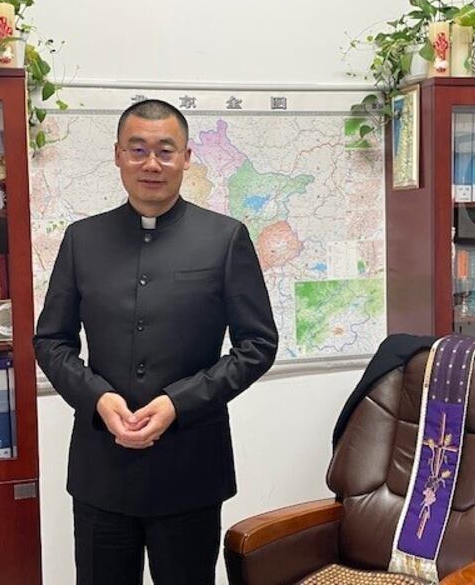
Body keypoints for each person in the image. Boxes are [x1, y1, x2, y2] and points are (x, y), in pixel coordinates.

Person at [33, 99, 278, 585]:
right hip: (102, 470)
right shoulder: (83, 240)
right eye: (138, 149)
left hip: (189, 469)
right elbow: (51, 341)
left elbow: (257, 345)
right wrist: (98, 398)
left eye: (165, 151)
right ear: (118, 155)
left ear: (187, 158)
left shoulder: (225, 238)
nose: (151, 164)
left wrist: (176, 403)